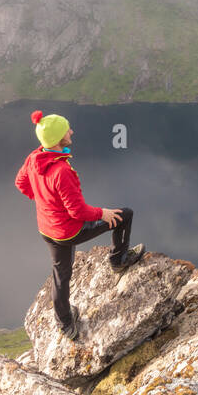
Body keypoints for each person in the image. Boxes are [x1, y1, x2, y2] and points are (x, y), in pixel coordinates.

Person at [14, 110, 144, 340]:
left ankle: (64, 323)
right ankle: (118, 260)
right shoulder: (62, 171)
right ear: (57, 138)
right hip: (68, 231)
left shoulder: (35, 158)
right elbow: (78, 212)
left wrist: (44, 201)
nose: (71, 131)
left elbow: (21, 183)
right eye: (67, 130)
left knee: (61, 275)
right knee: (124, 215)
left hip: (47, 230)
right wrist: (102, 213)